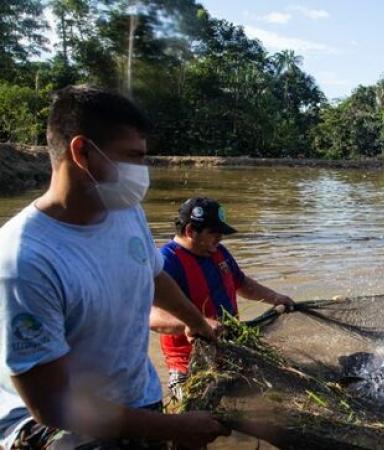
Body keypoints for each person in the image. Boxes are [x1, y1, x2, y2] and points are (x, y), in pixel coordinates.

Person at [0, 85, 231, 449]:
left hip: (135, 397)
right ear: (82, 153)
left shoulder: (125, 211)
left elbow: (153, 276)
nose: (142, 171)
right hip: (57, 425)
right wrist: (175, 427)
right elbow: (52, 405)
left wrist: (196, 322)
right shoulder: (25, 259)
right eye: (132, 158)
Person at [150, 197, 295, 401]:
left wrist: (276, 298)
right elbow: (152, 317)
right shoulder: (166, 262)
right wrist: (197, 324)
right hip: (189, 364)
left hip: (229, 350)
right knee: (199, 420)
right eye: (214, 234)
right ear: (191, 231)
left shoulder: (218, 252)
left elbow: (242, 283)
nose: (220, 239)